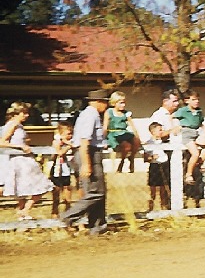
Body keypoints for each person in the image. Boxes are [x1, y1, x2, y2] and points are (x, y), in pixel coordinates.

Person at [60, 90, 110, 234]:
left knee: (96, 192)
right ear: (99, 102)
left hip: (89, 153)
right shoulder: (91, 116)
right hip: (89, 154)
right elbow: (84, 141)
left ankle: (97, 227)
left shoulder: (88, 114)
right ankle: (68, 216)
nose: (106, 106)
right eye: (105, 102)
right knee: (97, 193)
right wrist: (87, 163)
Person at [0, 101, 54, 220]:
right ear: (16, 113)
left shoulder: (18, 125)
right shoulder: (12, 124)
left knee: (30, 188)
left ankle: (23, 213)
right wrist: (20, 146)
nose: (26, 116)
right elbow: (2, 142)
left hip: (24, 159)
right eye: (23, 113)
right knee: (40, 185)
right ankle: (24, 211)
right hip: (19, 160)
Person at [148, 89, 182, 205]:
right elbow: (157, 134)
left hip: (176, 151)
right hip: (163, 152)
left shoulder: (177, 116)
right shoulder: (158, 116)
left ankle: (171, 206)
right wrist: (171, 130)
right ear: (165, 101)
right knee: (160, 185)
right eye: (174, 101)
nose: (177, 104)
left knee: (172, 182)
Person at [173, 89, 205, 187]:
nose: (197, 102)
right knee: (195, 153)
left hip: (196, 133)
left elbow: (201, 124)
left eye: (197, 100)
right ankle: (189, 174)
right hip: (187, 133)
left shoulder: (199, 111)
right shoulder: (183, 110)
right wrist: (175, 127)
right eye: (194, 99)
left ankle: (199, 162)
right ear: (187, 101)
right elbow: (173, 117)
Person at [102, 91, 141, 173]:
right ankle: (122, 163)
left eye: (124, 103)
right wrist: (103, 140)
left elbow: (132, 125)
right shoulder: (109, 112)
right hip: (113, 134)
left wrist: (137, 136)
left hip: (124, 132)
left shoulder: (126, 113)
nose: (123, 105)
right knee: (126, 146)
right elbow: (105, 126)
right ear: (114, 102)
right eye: (121, 103)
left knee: (136, 141)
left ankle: (131, 157)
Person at [50, 121, 75, 219]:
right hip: (57, 169)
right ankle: (54, 217)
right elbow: (59, 153)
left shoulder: (71, 142)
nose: (70, 136)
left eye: (71, 133)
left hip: (66, 170)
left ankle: (68, 217)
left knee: (67, 196)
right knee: (56, 196)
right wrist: (68, 146)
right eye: (68, 134)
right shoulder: (56, 142)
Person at [143, 121, 170, 211]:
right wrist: (151, 157)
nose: (162, 132)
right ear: (153, 132)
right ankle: (150, 208)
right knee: (153, 190)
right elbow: (145, 158)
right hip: (155, 166)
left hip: (164, 164)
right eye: (160, 130)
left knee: (163, 189)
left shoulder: (165, 142)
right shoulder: (149, 143)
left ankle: (164, 207)